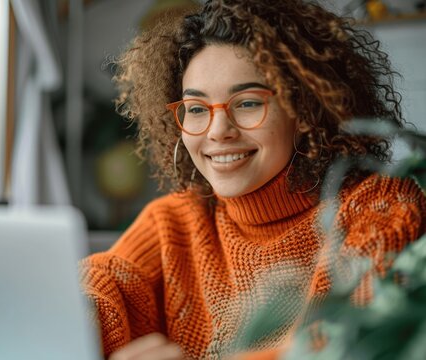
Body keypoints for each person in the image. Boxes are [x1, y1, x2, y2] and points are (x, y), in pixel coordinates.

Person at [80, 0, 426, 359]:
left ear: (305, 108)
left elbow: (346, 344)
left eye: (247, 103)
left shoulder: (380, 207)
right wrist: (79, 314)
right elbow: (106, 283)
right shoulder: (173, 221)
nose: (218, 131)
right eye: (197, 109)